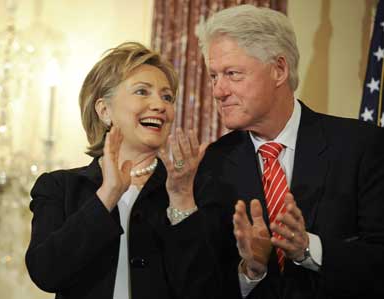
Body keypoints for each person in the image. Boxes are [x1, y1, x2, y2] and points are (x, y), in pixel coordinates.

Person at [196, 4, 384, 299]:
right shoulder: (213, 162)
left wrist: (307, 248)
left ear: (279, 69)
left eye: (232, 74)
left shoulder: (362, 146)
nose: (219, 91)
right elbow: (204, 280)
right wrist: (251, 269)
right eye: (214, 76)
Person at [25, 42, 238, 299]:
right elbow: (46, 272)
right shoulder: (59, 187)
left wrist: (182, 201)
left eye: (167, 96)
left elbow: (205, 291)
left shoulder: (194, 189)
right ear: (104, 110)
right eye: (142, 92)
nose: (160, 105)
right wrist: (108, 194)